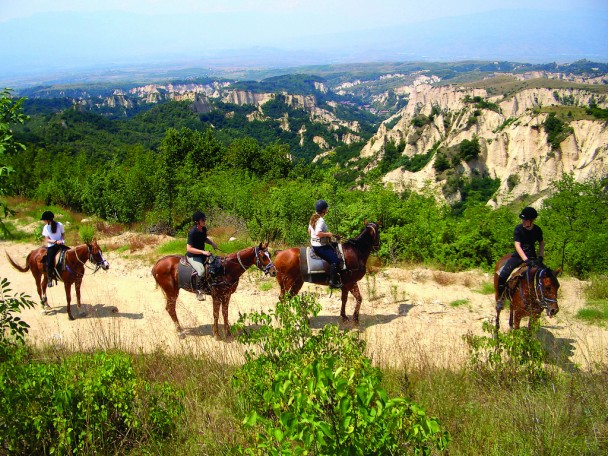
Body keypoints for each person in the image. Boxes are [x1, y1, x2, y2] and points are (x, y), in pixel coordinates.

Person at [496, 206, 545, 310]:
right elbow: (517, 246)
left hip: (533, 257)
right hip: (518, 256)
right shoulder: (518, 229)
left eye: (525, 219)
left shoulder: (537, 230)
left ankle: (545, 300)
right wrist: (526, 260)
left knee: (547, 274)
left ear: (531, 220)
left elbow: (541, 243)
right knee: (503, 274)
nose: (522, 221)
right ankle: (501, 299)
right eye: (522, 219)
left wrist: (540, 256)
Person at [309, 199, 342, 289]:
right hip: (320, 247)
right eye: (326, 208)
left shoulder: (313, 217)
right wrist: (327, 234)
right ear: (323, 210)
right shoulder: (320, 220)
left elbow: (309, 231)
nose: (327, 210)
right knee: (335, 260)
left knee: (335, 246)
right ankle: (332, 282)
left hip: (314, 244)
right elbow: (318, 233)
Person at [186, 211, 218, 300]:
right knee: (201, 271)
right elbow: (189, 248)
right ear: (197, 221)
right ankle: (198, 291)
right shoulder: (192, 232)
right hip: (193, 256)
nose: (204, 221)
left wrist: (212, 243)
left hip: (201, 254)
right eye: (203, 220)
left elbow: (204, 238)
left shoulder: (203, 229)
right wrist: (202, 252)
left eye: (205, 219)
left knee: (215, 263)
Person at [41, 210, 66, 287]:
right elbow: (47, 240)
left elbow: (62, 234)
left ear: (48, 220)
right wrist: (55, 241)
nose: (44, 221)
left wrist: (62, 240)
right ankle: (49, 278)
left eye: (44, 220)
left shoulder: (60, 225)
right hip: (52, 246)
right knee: (50, 261)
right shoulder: (45, 228)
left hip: (61, 244)